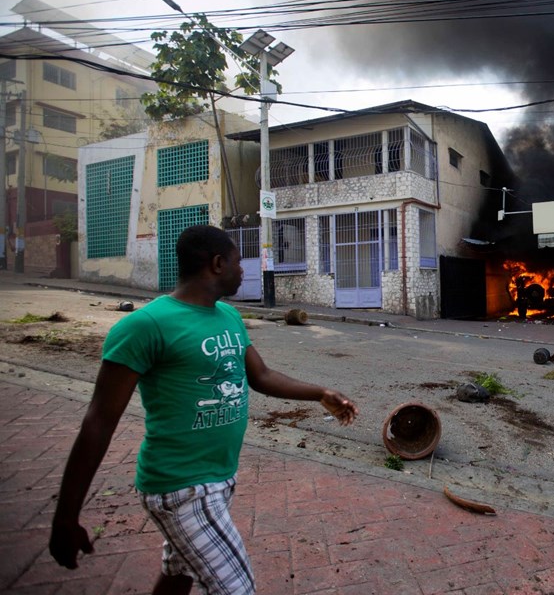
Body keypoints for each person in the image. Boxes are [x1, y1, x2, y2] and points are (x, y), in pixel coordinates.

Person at [48, 224, 358, 594]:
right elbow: (98, 422)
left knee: (178, 575)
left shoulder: (227, 316)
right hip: (181, 487)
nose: (243, 271)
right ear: (217, 264)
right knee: (236, 588)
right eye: (237, 262)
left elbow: (259, 375)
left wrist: (321, 392)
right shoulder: (145, 327)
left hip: (220, 478)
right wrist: (65, 517)